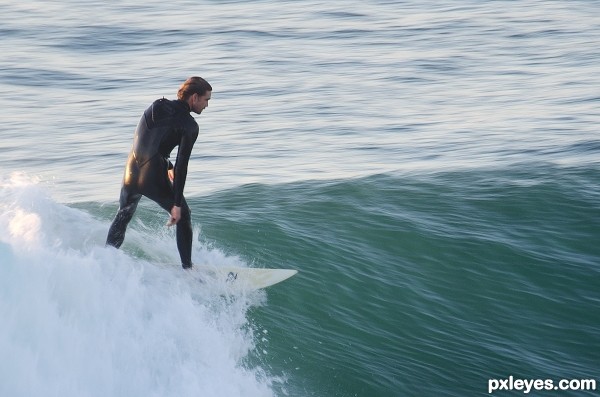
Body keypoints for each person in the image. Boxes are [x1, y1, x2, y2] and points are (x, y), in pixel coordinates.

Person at [106, 76, 212, 269]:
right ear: (194, 97)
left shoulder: (155, 106)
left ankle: (105, 258)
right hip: (152, 175)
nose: (207, 105)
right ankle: (188, 269)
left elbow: (147, 142)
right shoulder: (190, 126)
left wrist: (167, 165)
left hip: (131, 170)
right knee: (185, 215)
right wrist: (177, 205)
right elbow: (182, 167)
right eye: (206, 100)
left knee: (124, 213)